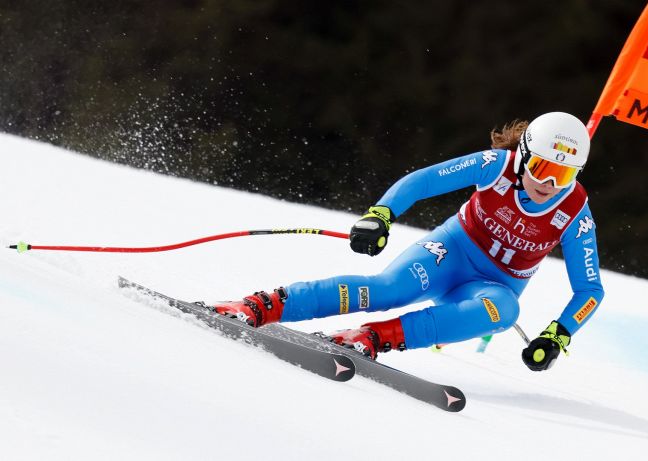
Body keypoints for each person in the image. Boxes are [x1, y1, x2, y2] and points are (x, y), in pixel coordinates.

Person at [215, 112, 604, 371]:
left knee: (503, 312)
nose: (548, 185)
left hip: (494, 285)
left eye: (564, 175)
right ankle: (261, 306)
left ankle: (374, 337)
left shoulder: (573, 212)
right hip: (450, 253)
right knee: (390, 290)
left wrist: (560, 333)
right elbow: (424, 180)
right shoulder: (494, 165)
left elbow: (589, 289)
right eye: (541, 168)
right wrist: (381, 214)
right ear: (522, 156)